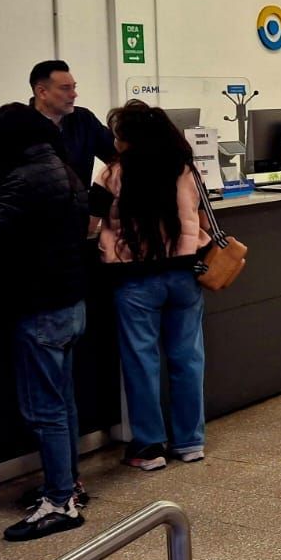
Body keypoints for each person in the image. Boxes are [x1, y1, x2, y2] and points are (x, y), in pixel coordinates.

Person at [0, 104, 91, 541]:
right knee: (63, 403)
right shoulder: (64, 169)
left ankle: (59, 503)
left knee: (45, 411)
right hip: (69, 303)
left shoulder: (24, 178)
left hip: (41, 308)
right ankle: (69, 484)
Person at [92, 101, 209, 472]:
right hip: (184, 275)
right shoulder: (185, 169)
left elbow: (89, 224)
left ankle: (150, 447)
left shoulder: (112, 174)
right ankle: (190, 442)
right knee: (187, 359)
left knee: (142, 362)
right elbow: (205, 220)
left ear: (129, 139)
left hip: (135, 279)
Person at [29, 60, 116, 189]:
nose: (74, 94)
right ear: (42, 92)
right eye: (65, 88)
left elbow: (115, 152)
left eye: (74, 87)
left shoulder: (84, 120)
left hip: (80, 200)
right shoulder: (20, 126)